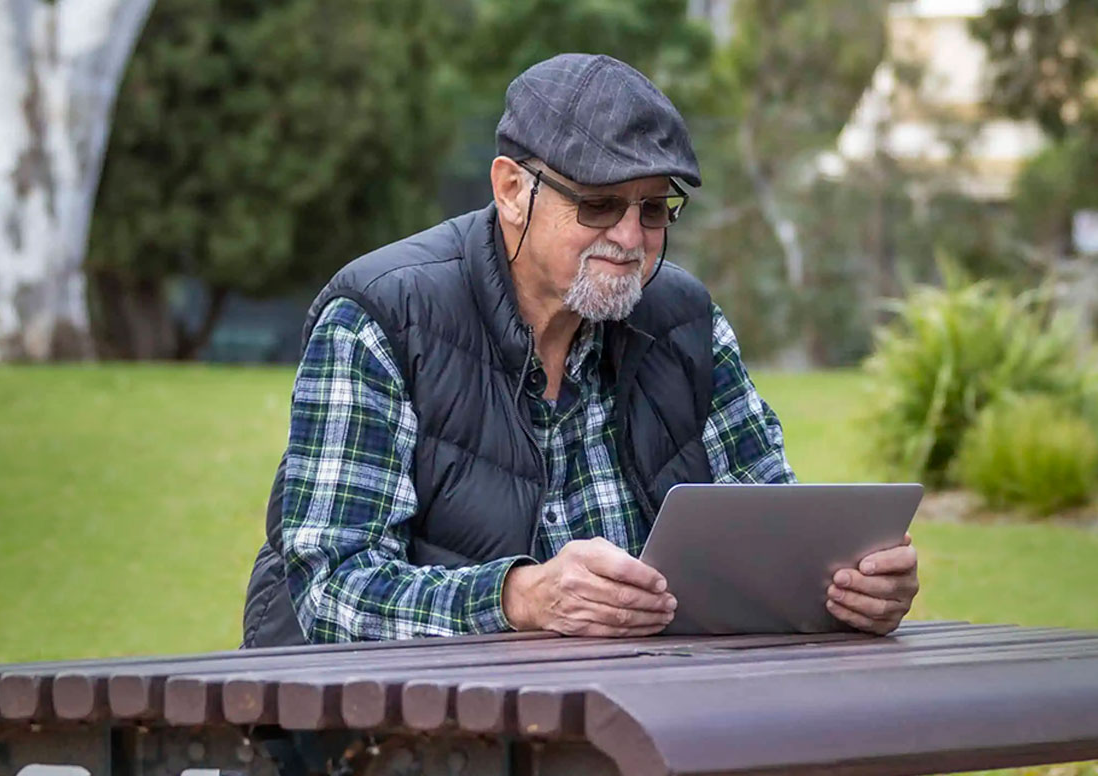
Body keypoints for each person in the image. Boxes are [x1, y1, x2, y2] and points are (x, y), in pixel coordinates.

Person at [241, 53, 919, 648]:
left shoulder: (685, 321)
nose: (630, 237)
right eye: (598, 204)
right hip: (398, 731)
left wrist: (847, 587)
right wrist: (521, 599)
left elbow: (776, 531)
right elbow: (330, 589)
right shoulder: (380, 319)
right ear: (511, 190)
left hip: (632, 713)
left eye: (654, 210)